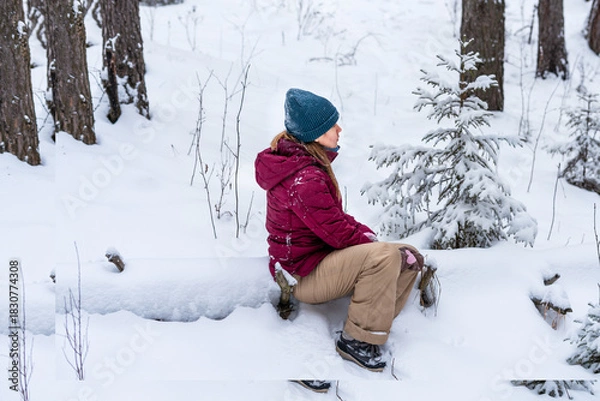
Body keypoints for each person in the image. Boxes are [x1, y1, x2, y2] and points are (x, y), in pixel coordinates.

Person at [254, 88, 424, 372]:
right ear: (315, 133)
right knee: (384, 256)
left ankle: (369, 320)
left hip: (315, 262)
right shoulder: (304, 179)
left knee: (406, 255)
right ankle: (357, 341)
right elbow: (336, 232)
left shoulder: (304, 166)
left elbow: (335, 220)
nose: (339, 128)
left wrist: (371, 239)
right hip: (301, 275)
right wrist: (374, 245)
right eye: (332, 124)